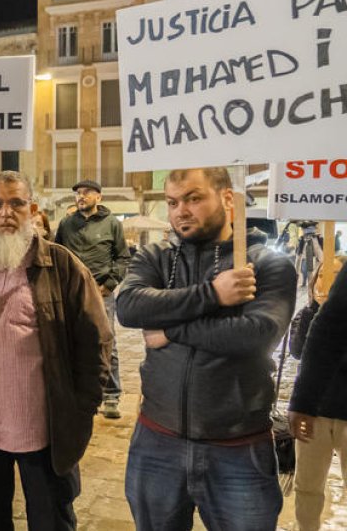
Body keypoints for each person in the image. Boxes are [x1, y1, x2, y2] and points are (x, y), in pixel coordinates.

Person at [118, 167, 296, 530]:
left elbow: (254, 335)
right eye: (172, 202)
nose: (180, 210)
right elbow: (130, 307)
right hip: (157, 443)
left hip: (238, 450)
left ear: (228, 199)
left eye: (194, 198)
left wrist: (170, 329)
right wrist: (212, 294)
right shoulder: (156, 257)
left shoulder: (265, 263)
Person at [0, 171, 110, 530]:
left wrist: (81, 409)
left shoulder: (61, 266)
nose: (6, 212)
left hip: (40, 426)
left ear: (32, 209)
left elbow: (96, 342)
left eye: (16, 203)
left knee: (50, 518)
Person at [54, 180, 130, 419]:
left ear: (99, 197)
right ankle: (77, 392)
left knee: (106, 342)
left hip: (101, 293)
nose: (81, 196)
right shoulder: (66, 224)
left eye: (86, 192)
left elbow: (122, 257)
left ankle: (111, 395)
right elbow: (57, 255)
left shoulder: (112, 224)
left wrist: (109, 284)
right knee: (70, 341)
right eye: (78, 193)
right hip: (71, 293)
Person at [289, 257, 347, 531]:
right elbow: (302, 349)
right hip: (319, 411)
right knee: (308, 485)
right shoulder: (312, 314)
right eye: (324, 274)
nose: (328, 280)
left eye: (336, 273)